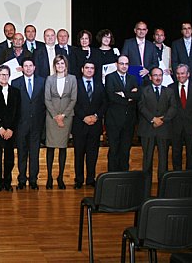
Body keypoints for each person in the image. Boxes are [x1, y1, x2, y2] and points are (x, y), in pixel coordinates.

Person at [137, 67, 177, 185]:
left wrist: (162, 119)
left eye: (160, 75)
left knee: (163, 159)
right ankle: (145, 185)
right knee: (147, 159)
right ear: (150, 77)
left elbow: (173, 107)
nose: (158, 78)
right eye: (155, 75)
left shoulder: (169, 91)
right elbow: (141, 106)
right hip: (147, 129)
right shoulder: (144, 90)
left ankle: (163, 184)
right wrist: (152, 119)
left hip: (164, 129)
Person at [44, 55, 77, 190]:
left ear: (66, 65)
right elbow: (47, 99)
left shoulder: (72, 79)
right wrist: (56, 116)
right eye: (57, 64)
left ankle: (61, 177)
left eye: (62, 63)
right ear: (54, 66)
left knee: (63, 147)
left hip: (67, 117)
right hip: (52, 117)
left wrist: (63, 115)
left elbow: (73, 99)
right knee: (50, 147)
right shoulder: (49, 79)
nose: (60, 66)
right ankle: (49, 178)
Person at [12, 58, 45, 190]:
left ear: (34, 67)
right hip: (21, 125)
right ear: (22, 68)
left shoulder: (42, 81)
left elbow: (44, 103)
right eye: (25, 66)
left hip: (37, 124)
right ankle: (21, 179)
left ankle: (33, 180)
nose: (28, 68)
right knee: (22, 153)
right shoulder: (15, 83)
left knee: (34, 153)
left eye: (30, 65)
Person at [72, 60, 106, 189]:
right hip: (80, 124)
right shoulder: (75, 83)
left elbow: (104, 103)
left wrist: (96, 116)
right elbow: (73, 102)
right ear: (82, 69)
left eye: (92, 68)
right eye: (87, 68)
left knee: (92, 154)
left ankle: (91, 179)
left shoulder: (99, 84)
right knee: (79, 154)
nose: (89, 70)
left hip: (95, 125)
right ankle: (79, 179)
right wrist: (84, 117)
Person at [105, 55, 140, 172]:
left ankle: (124, 176)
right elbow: (111, 96)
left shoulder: (133, 78)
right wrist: (129, 96)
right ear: (117, 64)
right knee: (114, 150)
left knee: (125, 150)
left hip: (129, 121)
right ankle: (112, 176)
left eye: (126, 64)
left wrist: (123, 94)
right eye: (122, 64)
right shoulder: (110, 77)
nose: (124, 66)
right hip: (114, 120)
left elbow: (137, 96)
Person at [169, 64, 192, 170]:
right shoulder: (171, 87)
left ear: (188, 74)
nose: (180, 76)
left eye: (182, 73)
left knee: (191, 153)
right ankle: (177, 175)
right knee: (176, 152)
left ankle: (191, 176)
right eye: (178, 73)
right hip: (176, 126)